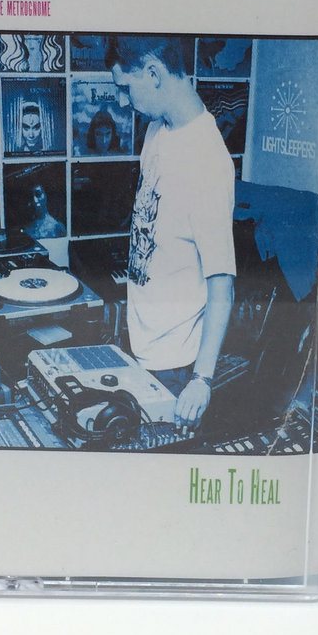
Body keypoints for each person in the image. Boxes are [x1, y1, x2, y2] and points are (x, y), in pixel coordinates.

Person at [107, 36, 235, 431]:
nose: (123, 102)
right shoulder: (156, 131)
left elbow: (222, 284)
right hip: (139, 347)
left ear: (153, 73)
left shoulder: (207, 161)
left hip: (178, 368)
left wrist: (202, 380)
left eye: (125, 88)